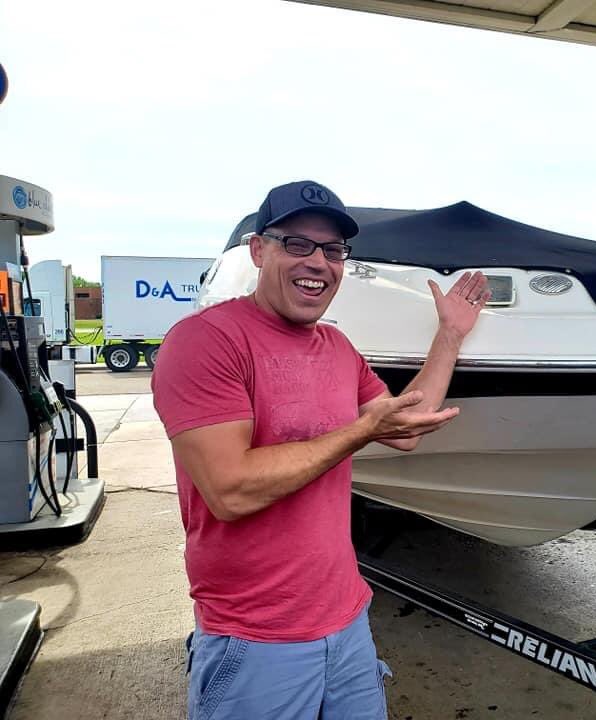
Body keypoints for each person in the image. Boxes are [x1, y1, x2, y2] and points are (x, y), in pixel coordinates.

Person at [151, 180, 490, 720]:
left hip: (348, 622)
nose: (318, 262)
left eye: (333, 250)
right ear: (259, 250)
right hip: (255, 638)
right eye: (298, 243)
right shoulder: (205, 341)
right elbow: (230, 490)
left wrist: (449, 334)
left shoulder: (336, 346)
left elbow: (403, 429)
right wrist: (358, 431)